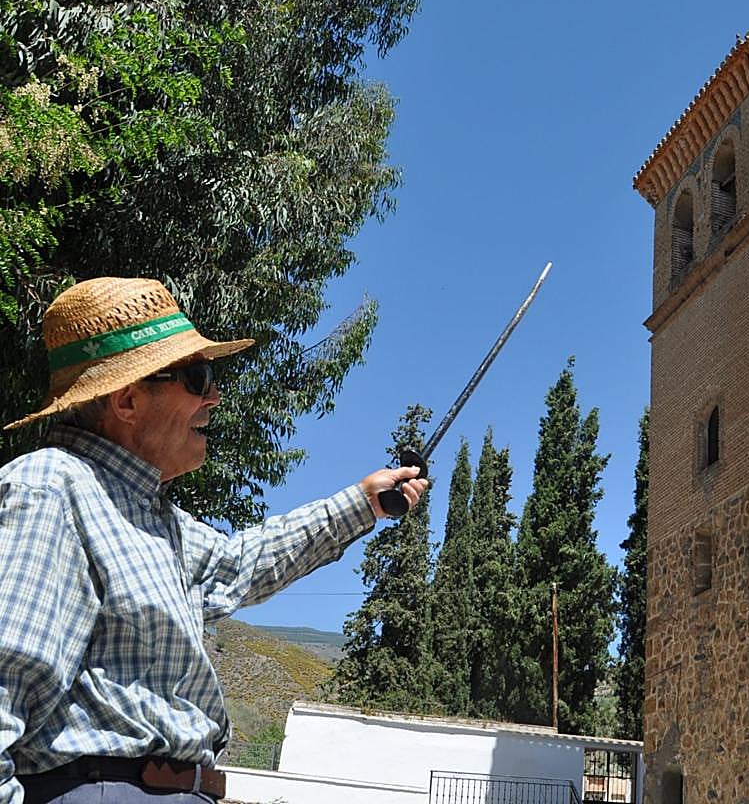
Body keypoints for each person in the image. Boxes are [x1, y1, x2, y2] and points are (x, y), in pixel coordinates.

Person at [0, 277, 428, 804]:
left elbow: (241, 563)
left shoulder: (156, 519)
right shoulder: (50, 487)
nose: (215, 396)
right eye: (197, 377)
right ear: (127, 400)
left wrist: (363, 502)